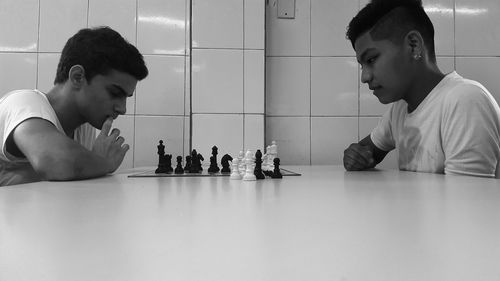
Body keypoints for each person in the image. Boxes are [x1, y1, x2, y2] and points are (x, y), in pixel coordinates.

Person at [343, 0, 500, 178]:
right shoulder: (399, 110)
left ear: (413, 45)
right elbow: (364, 153)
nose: (364, 77)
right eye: (362, 65)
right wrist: (353, 156)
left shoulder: (465, 100)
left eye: (371, 59)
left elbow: (465, 201)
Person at [0, 26, 148, 186]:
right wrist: (105, 162)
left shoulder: (85, 128)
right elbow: (56, 162)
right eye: (114, 93)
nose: (122, 109)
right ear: (78, 77)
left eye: (126, 97)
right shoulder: (22, 103)